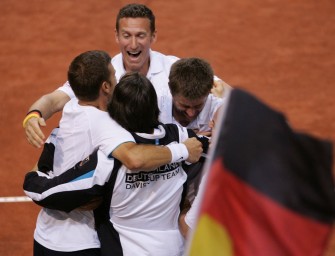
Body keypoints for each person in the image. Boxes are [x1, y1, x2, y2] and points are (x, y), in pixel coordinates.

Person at [29, 50, 203, 256]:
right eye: (113, 74)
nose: (117, 76)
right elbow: (135, 158)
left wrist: (35, 177)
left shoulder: (72, 111)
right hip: (81, 243)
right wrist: (183, 149)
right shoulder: (172, 135)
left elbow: (50, 149)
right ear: (105, 86)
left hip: (62, 238)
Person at [23, 3, 231, 148]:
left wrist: (220, 115)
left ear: (153, 36)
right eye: (126, 35)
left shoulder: (174, 68)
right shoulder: (103, 73)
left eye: (140, 35)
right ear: (116, 36)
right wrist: (34, 114)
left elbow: (224, 91)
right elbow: (57, 98)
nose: (133, 45)